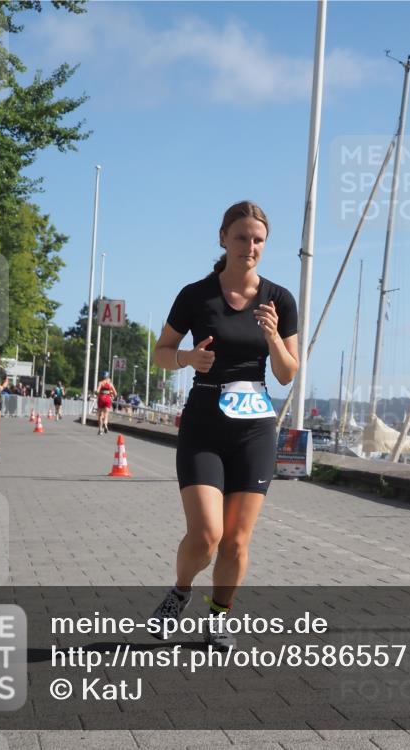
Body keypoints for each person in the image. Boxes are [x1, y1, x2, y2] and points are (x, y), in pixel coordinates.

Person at [148, 201, 298, 650]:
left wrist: (272, 337)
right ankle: (179, 591)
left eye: (258, 240)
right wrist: (186, 359)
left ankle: (220, 616)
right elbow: (160, 353)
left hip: (254, 427)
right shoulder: (196, 295)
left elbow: (288, 373)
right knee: (206, 535)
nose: (249, 246)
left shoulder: (280, 299)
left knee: (235, 541)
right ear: (223, 238)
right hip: (205, 423)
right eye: (241, 237)